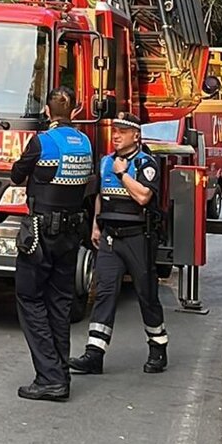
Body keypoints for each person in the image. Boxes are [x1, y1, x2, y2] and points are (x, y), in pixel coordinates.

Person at [68, 112, 168, 376]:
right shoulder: (105, 162)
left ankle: (158, 348)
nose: (116, 136)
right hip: (111, 237)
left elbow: (144, 197)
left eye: (122, 132)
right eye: (115, 131)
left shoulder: (146, 163)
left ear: (136, 136)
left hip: (138, 238)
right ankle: (94, 354)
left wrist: (123, 175)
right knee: (104, 293)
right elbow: (101, 195)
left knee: (146, 294)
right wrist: (96, 225)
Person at [10, 86, 94, 402]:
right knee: (60, 303)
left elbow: (17, 175)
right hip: (72, 233)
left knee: (30, 300)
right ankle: (61, 372)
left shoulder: (42, 142)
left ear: (47, 111)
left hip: (41, 233)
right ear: (72, 112)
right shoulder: (84, 142)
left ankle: (50, 377)